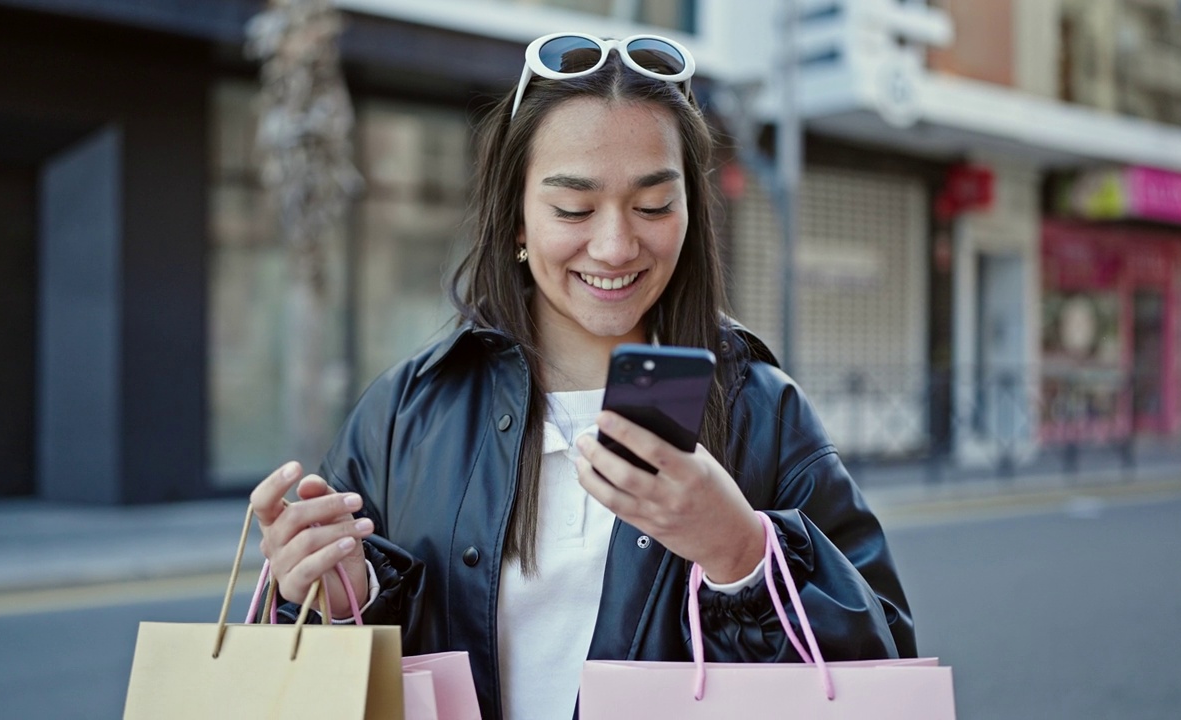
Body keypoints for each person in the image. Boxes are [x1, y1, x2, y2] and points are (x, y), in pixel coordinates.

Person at [250, 32, 915, 720]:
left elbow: (881, 671)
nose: (615, 245)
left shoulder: (761, 411)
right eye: (574, 208)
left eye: (654, 204)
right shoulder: (409, 411)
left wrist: (741, 553)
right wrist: (331, 599)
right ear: (516, 217)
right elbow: (306, 680)